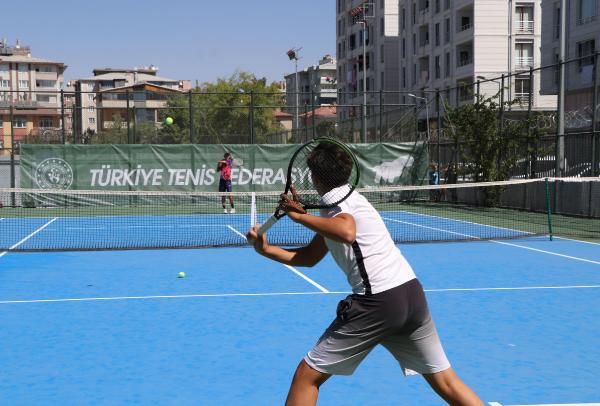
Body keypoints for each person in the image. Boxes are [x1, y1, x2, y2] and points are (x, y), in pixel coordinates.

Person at [246, 143, 482, 406]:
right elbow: (309, 257)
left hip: (378, 302)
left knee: (306, 376)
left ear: (315, 177)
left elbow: (346, 232)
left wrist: (300, 217)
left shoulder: (336, 204)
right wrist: (265, 248)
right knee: (446, 381)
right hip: (411, 295)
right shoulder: (349, 200)